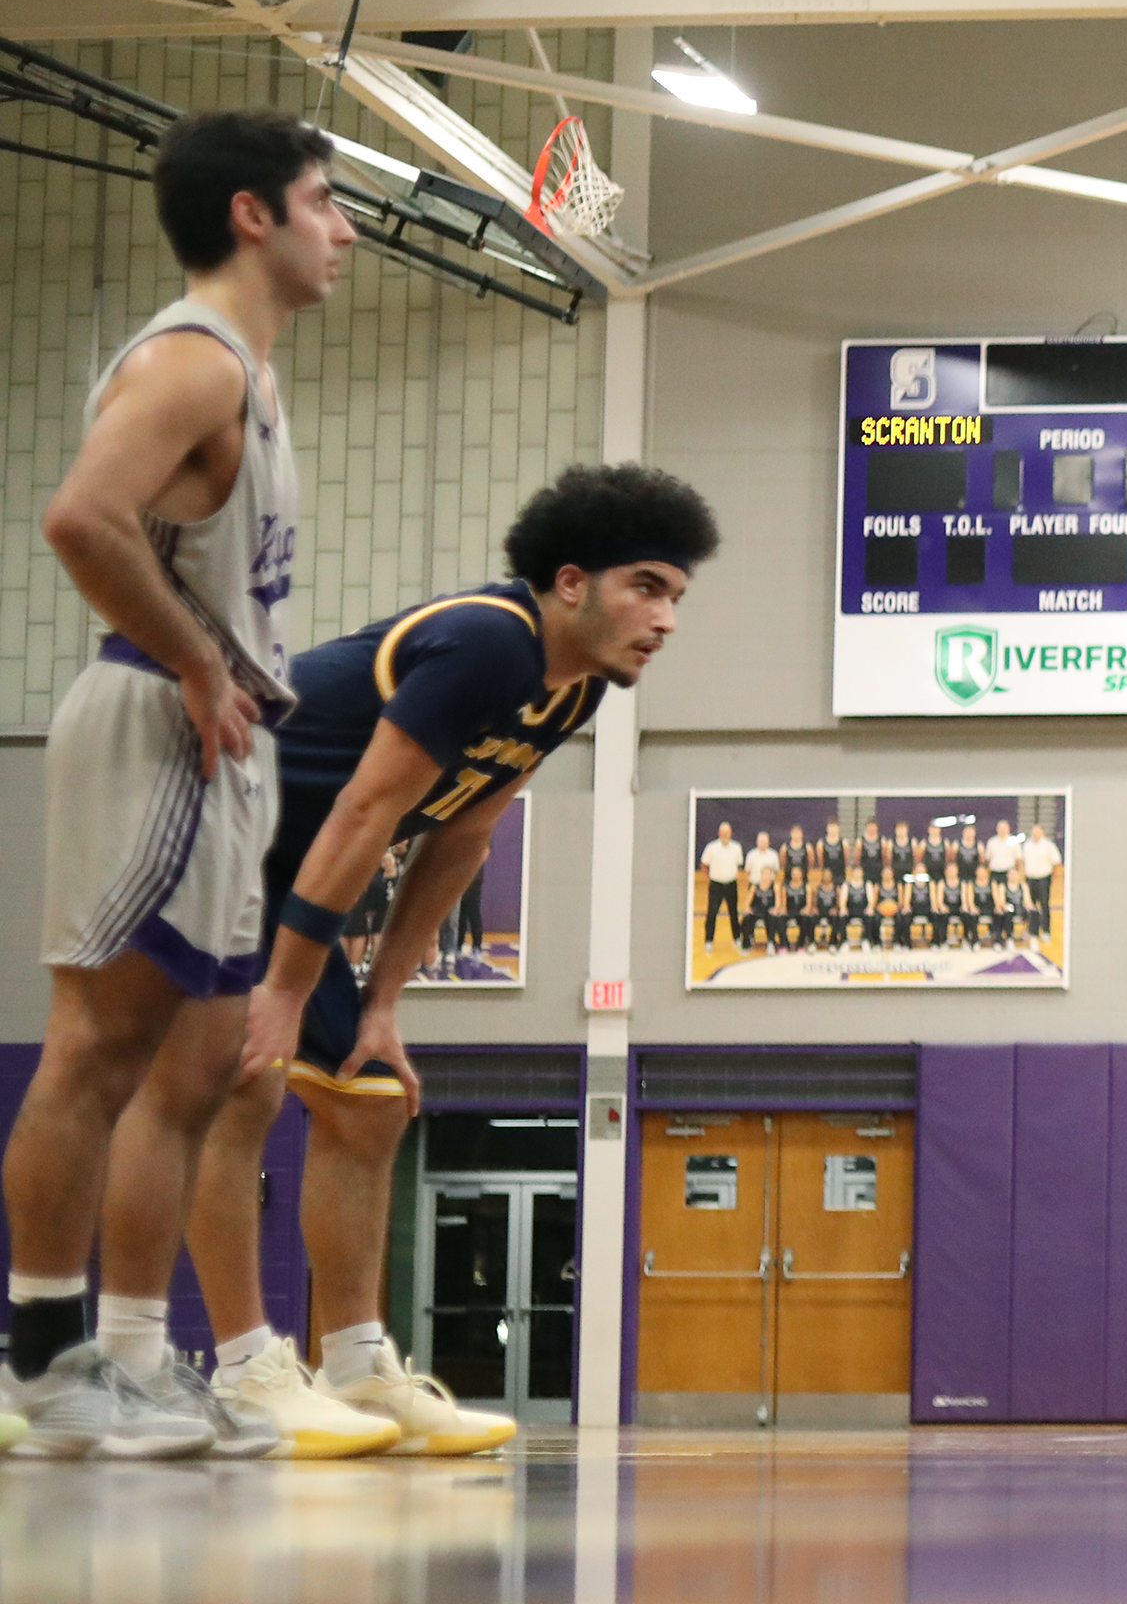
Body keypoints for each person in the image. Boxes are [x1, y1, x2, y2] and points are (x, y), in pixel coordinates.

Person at [101, 462, 718, 1459]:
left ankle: (355, 1363)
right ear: (571, 581)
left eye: (677, 596)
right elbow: (367, 809)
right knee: (245, 1082)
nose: (666, 617)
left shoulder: (572, 695)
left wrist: (384, 1002)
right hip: (203, 825)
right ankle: (248, 1366)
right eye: (647, 584)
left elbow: (459, 839)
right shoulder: (486, 640)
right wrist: (288, 990)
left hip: (286, 864)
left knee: (371, 1093)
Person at [9, 110, 350, 1460]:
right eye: (326, 202)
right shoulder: (191, 363)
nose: (346, 229)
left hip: (220, 731)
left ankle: (143, 1358)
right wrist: (201, 666)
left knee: (202, 1068)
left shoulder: (251, 377)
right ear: (255, 215)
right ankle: (40, 1356)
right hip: (159, 718)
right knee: (98, 1046)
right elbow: (79, 518)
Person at [698, 823, 745, 948]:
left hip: (731, 884)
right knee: (712, 913)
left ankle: (736, 938)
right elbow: (704, 864)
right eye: (723, 832)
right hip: (716, 885)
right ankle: (709, 941)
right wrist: (712, 877)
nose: (725, 834)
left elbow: (739, 864)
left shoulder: (736, 847)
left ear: (731, 833)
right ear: (719, 833)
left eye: (727, 832)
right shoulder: (711, 847)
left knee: (734, 913)